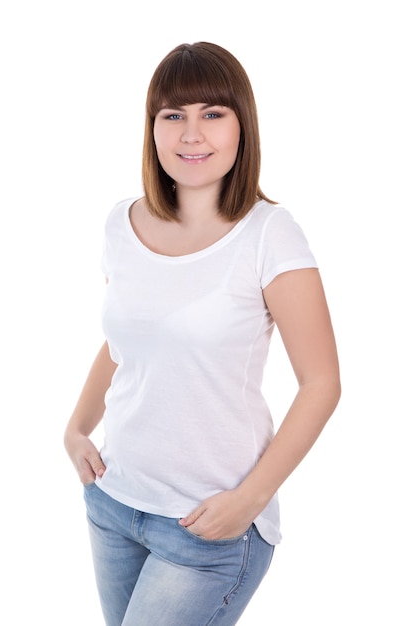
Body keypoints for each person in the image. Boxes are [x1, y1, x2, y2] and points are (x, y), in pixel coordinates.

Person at [64, 41, 341, 626]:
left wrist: (251, 500)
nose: (192, 134)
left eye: (212, 114)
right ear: (153, 128)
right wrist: (76, 428)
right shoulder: (122, 222)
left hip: (208, 527)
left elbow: (322, 384)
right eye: (174, 115)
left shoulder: (270, 233)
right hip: (114, 503)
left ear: (243, 125)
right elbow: (129, 342)